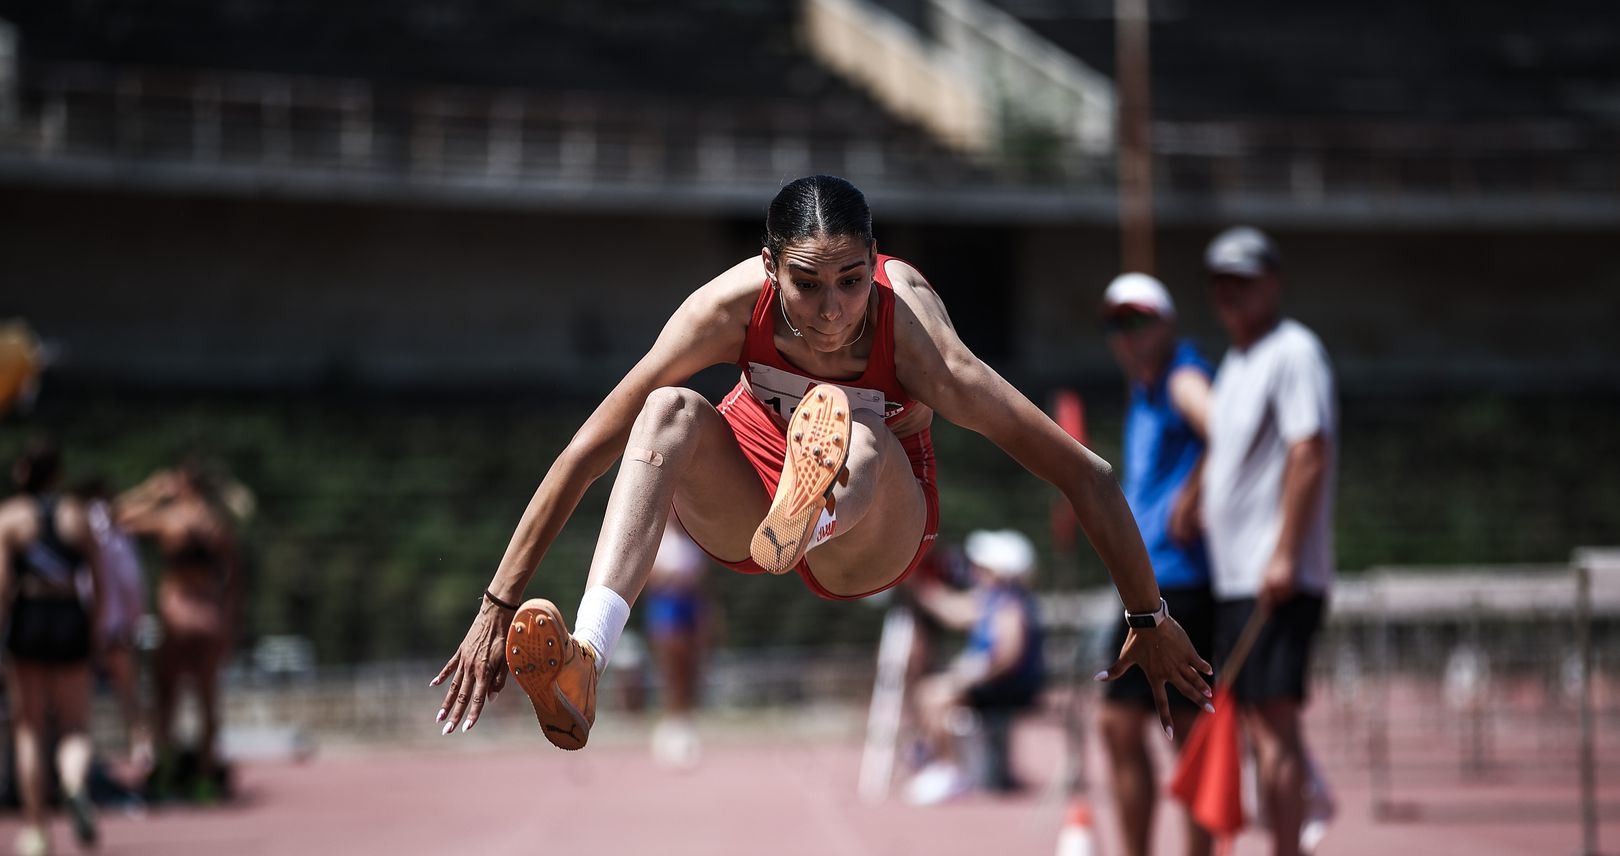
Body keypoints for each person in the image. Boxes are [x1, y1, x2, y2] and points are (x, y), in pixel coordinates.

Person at [434, 175, 1212, 746]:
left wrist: (1149, 616)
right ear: (769, 267)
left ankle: (811, 514)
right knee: (665, 410)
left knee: (858, 430)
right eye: (806, 285)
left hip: (872, 528)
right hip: (750, 496)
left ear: (875, 260)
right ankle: (589, 657)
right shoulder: (723, 310)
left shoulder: (919, 341)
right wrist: (497, 605)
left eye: (850, 282)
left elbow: (1084, 473)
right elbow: (588, 450)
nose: (833, 310)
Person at [1192, 227, 1338, 856]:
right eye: (1222, 282)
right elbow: (1233, 450)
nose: (1231, 294)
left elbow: (1309, 449)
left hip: (1273, 574)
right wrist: (1195, 495)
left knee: (1274, 727)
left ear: (1273, 283)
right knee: (1261, 726)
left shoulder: (1293, 351)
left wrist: (1284, 551)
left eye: (1244, 281)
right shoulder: (1237, 360)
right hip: (1237, 576)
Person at [1091, 273, 1221, 856]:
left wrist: (1195, 495)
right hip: (1144, 584)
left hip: (1184, 582)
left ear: (1168, 324)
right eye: (1118, 324)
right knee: (1120, 725)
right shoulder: (1143, 391)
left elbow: (1226, 429)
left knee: (1190, 728)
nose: (1129, 335)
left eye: (1140, 320)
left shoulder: (1181, 378)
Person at [0, 437, 103, 856]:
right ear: (58, 473)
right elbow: (99, 580)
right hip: (68, 617)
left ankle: (36, 829)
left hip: (29, 617)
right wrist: (95, 629)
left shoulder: (10, 517)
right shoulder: (77, 514)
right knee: (75, 726)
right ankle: (74, 784)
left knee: (29, 728)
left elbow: (2, 587)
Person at [115, 459, 241, 801]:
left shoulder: (172, 519)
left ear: (182, 484)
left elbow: (115, 516)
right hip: (210, 615)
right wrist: (230, 621)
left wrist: (152, 491)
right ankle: (204, 779)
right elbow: (234, 577)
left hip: (178, 615)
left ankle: (166, 776)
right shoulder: (217, 522)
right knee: (208, 702)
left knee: (166, 699)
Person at [904, 529, 1044, 804]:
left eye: (983, 567)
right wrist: (915, 580)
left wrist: (967, 677)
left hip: (1008, 685)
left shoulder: (1009, 605)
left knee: (938, 697)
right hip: (994, 681)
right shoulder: (990, 599)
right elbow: (949, 609)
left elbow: (1007, 657)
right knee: (930, 693)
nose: (976, 571)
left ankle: (949, 769)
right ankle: (936, 761)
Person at [78, 477, 148, 783]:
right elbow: (131, 581)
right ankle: (143, 752)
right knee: (128, 693)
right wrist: (134, 620)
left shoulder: (74, 526)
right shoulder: (118, 535)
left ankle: (78, 762)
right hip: (115, 625)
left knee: (76, 700)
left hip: (81, 623)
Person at [642, 519, 714, 769]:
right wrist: (673, 576)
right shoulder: (659, 540)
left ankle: (686, 722)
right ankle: (670, 722)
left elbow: (702, 580)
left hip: (690, 604)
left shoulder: (693, 538)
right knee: (670, 668)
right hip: (667, 604)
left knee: (690, 669)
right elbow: (648, 577)